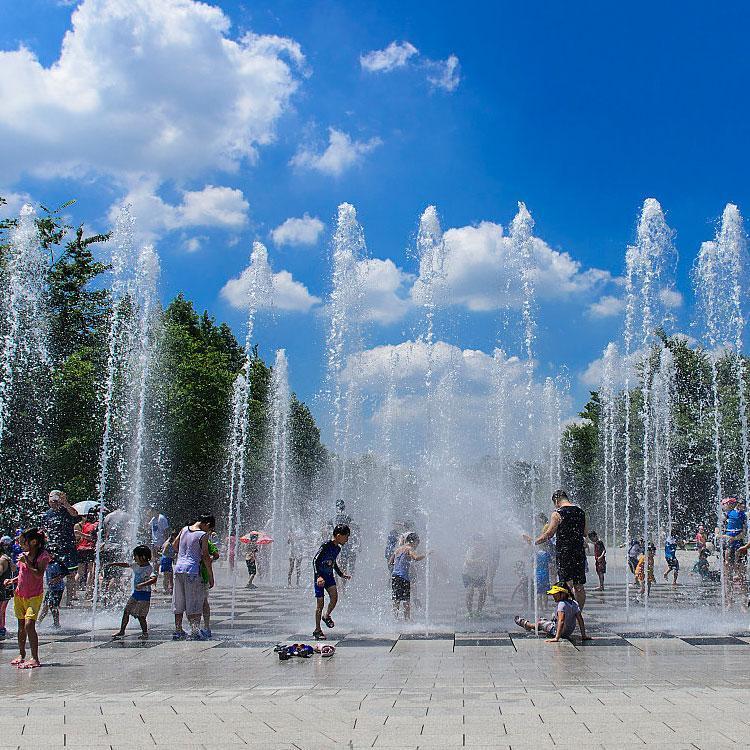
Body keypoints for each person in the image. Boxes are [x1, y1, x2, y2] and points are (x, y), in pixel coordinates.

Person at [524, 489, 588, 609]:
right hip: (579, 552)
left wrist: (534, 542)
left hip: (565, 553)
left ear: (557, 500)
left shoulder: (557, 513)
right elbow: (585, 533)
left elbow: (549, 534)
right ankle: (578, 613)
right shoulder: (581, 512)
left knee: (566, 583)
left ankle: (567, 612)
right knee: (579, 586)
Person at [6, 528, 50, 668]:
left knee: (29, 625)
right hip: (20, 595)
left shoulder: (43, 556)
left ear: (33, 542)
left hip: (34, 596)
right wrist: (13, 580)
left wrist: (28, 562)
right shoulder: (23, 555)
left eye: (23, 542)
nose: (20, 545)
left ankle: (35, 658)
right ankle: (22, 654)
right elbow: (23, 574)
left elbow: (38, 574)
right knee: (21, 626)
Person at [171, 515, 215, 640]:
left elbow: (174, 545)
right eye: (209, 528)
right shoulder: (202, 535)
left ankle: (178, 630)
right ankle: (194, 631)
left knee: (179, 601)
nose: (208, 531)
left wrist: (184, 554)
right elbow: (206, 558)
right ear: (206, 524)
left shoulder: (184, 529)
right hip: (193, 571)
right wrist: (211, 576)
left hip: (179, 568)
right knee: (194, 601)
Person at [109, 545, 158, 640]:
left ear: (142, 557)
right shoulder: (136, 565)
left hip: (144, 596)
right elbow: (126, 564)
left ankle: (145, 633)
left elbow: (154, 579)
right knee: (126, 611)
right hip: (135, 594)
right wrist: (115, 564)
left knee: (141, 616)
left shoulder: (149, 568)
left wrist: (142, 584)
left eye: (135, 556)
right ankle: (122, 631)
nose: (134, 558)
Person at [312, 524, 351, 640]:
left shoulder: (337, 548)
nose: (347, 539)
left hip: (329, 576)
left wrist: (340, 574)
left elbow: (333, 562)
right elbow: (315, 561)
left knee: (334, 598)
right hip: (320, 578)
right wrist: (318, 576)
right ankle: (317, 630)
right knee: (320, 604)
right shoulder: (326, 545)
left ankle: (326, 615)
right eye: (346, 537)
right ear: (338, 536)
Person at [515, 584, 591, 643]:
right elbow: (580, 620)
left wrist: (556, 638)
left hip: (558, 631)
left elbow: (561, 621)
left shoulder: (562, 604)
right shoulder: (574, 603)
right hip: (568, 631)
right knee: (545, 620)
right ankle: (540, 623)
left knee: (540, 623)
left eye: (555, 594)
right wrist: (583, 635)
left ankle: (528, 625)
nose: (553, 596)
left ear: (563, 594)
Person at [42, 490, 79, 605]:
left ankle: (69, 599)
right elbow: (44, 530)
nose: (53, 503)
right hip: (53, 550)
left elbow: (75, 514)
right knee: (53, 574)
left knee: (70, 574)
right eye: (51, 500)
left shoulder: (66, 511)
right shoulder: (47, 514)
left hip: (68, 548)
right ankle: (53, 599)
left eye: (55, 501)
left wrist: (66, 503)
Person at [390, 532, 427, 621]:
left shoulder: (398, 549)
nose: (417, 545)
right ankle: (407, 619)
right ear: (413, 541)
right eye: (417, 543)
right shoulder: (409, 549)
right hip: (403, 577)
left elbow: (390, 562)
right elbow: (416, 558)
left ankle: (395, 618)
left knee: (396, 599)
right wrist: (427, 554)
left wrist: (401, 563)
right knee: (406, 600)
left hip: (395, 576)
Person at [200, 525, 220, 640]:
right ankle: (205, 627)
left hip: (198, 575)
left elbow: (216, 555)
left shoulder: (207, 543)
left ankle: (201, 627)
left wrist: (207, 560)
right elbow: (216, 555)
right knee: (203, 601)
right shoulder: (206, 542)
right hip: (202, 575)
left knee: (200, 601)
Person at [462, 534, 489, 618]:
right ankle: (470, 612)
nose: (478, 546)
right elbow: (468, 561)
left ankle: (479, 611)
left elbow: (486, 565)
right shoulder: (471, 550)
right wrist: (479, 561)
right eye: (476, 544)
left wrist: (485, 576)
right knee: (470, 591)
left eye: (480, 544)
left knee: (483, 591)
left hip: (479, 574)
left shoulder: (485, 551)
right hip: (468, 573)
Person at [74, 509, 98, 598]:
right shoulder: (93, 526)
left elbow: (78, 537)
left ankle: (73, 593)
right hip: (89, 549)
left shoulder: (83, 526)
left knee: (79, 572)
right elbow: (93, 538)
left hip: (80, 549)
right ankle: (88, 593)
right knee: (90, 572)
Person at [37, 556, 66, 628]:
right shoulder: (47, 563)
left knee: (53, 606)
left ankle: (57, 623)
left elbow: (63, 574)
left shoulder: (57, 563)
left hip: (58, 589)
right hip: (51, 588)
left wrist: (54, 580)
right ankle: (38, 622)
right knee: (46, 605)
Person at [0, 536, 14, 639]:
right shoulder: (6, 558)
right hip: (6, 588)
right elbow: (14, 569)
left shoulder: (2, 560)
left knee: (1, 610)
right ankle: (2, 629)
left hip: (2, 589)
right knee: (2, 610)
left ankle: (1, 630)